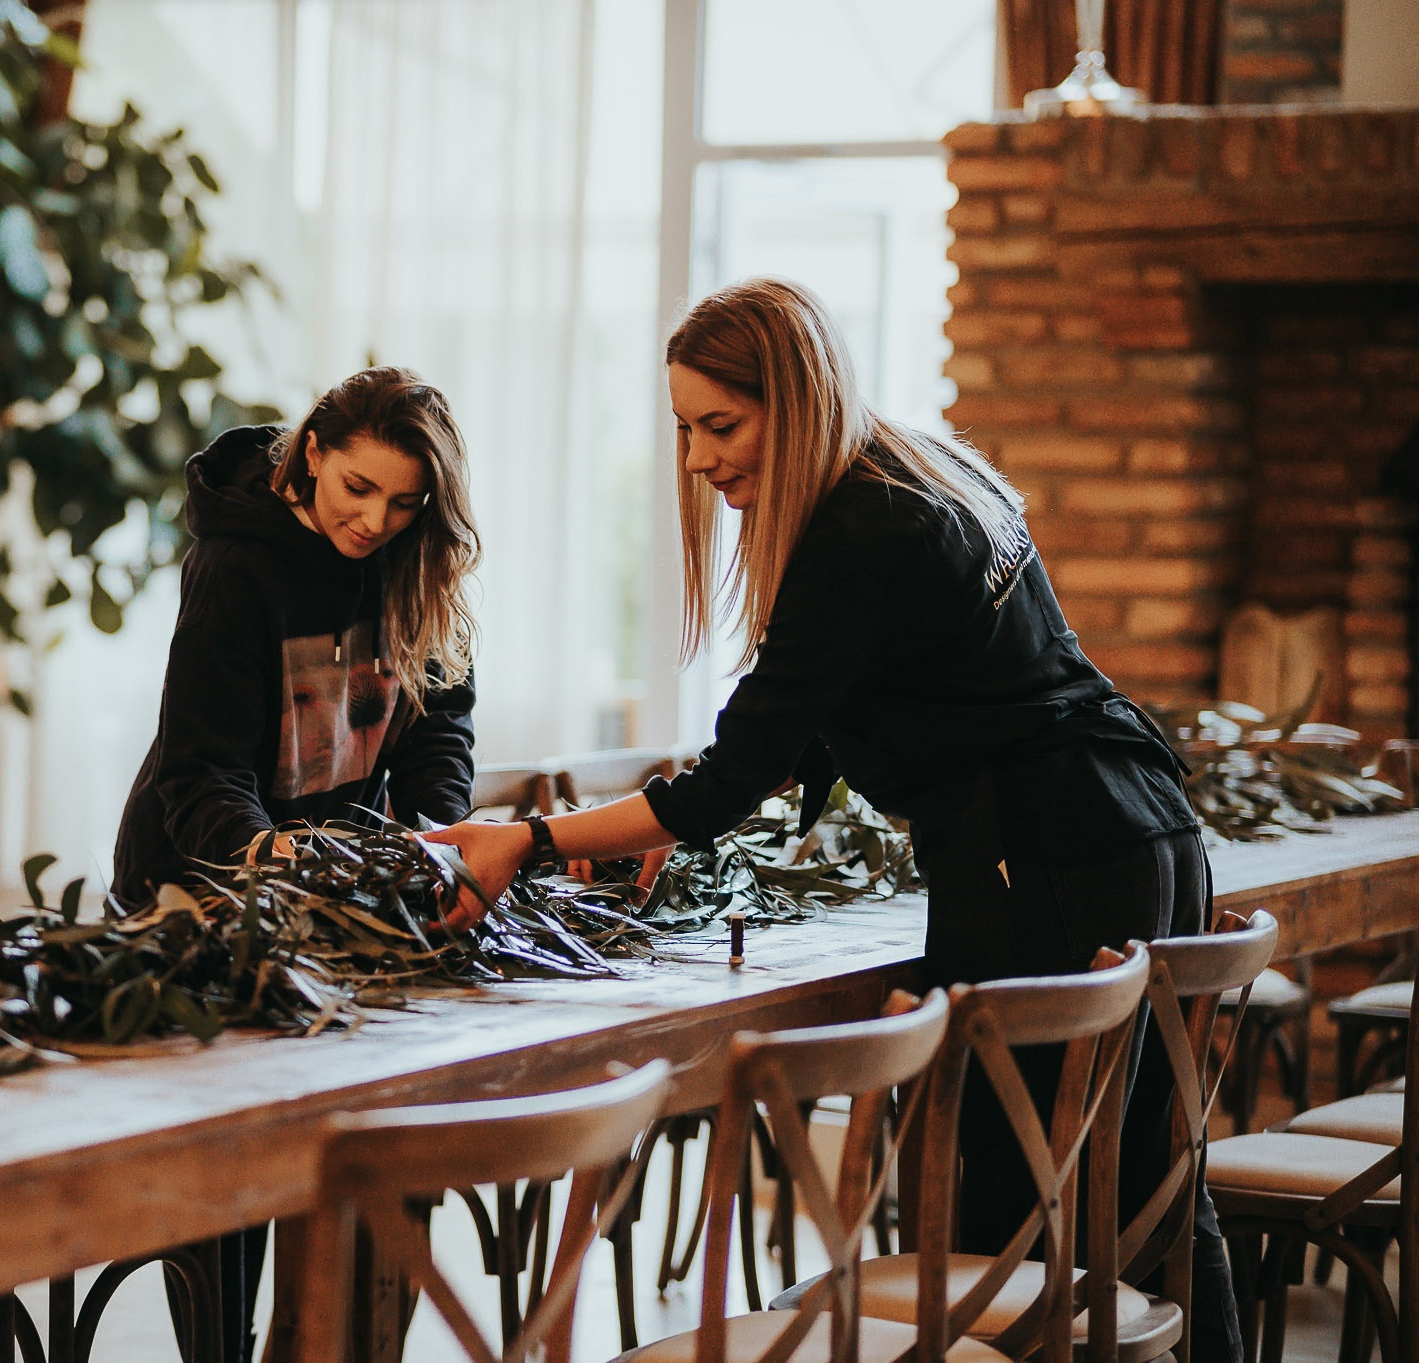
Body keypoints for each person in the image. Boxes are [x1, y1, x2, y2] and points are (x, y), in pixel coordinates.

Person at [423, 278, 1241, 1363]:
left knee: (1017, 1227)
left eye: (722, 424)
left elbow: (738, 764)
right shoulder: (917, 468)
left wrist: (522, 841)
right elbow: (855, 693)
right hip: (1141, 827)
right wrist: (672, 819)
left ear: (796, 401)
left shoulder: (858, 532)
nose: (697, 459)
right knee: (1150, 1203)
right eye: (681, 428)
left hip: (1043, 857)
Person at [114, 365, 482, 1363]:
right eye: (357, 488)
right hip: (194, 893)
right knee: (233, 1171)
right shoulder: (236, 568)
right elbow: (196, 774)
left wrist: (435, 836)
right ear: (313, 451)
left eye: (404, 502)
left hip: (327, 896)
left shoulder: (413, 563)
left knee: (368, 1151)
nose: (375, 521)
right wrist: (277, 852)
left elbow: (439, 724)